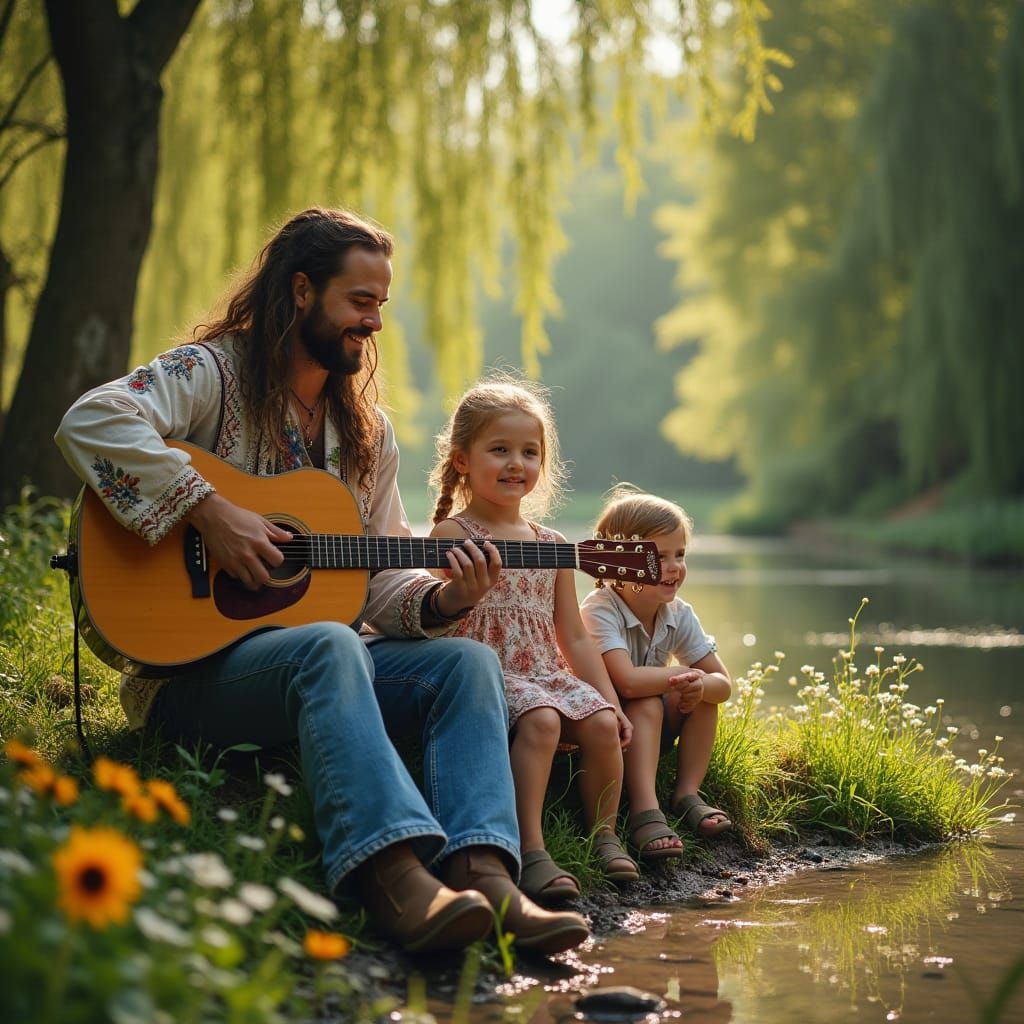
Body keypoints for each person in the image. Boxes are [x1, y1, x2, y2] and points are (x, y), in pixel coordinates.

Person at [54, 207, 589, 955]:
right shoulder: (209, 373)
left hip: (307, 664)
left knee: (468, 661)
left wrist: (444, 598)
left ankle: (487, 875)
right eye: (359, 302)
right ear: (302, 290)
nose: (373, 323)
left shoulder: (366, 434)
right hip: (190, 678)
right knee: (329, 646)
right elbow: (92, 419)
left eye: (381, 305)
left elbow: (380, 576)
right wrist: (210, 512)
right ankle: (396, 879)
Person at [428, 377, 639, 906]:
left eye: (529, 452)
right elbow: (434, 612)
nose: (515, 463)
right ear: (462, 460)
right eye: (499, 450)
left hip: (544, 669)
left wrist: (611, 702)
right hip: (484, 673)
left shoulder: (553, 545)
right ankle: (531, 847)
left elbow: (573, 633)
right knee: (542, 719)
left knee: (598, 723)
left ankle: (605, 835)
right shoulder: (454, 536)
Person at [580, 486, 732, 861]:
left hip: (653, 730)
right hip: (610, 735)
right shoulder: (601, 609)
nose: (674, 567)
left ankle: (687, 793)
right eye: (659, 557)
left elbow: (724, 684)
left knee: (703, 697)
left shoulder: (679, 613)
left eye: (679, 554)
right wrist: (683, 675)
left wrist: (698, 685)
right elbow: (626, 681)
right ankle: (645, 811)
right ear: (618, 564)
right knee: (649, 701)